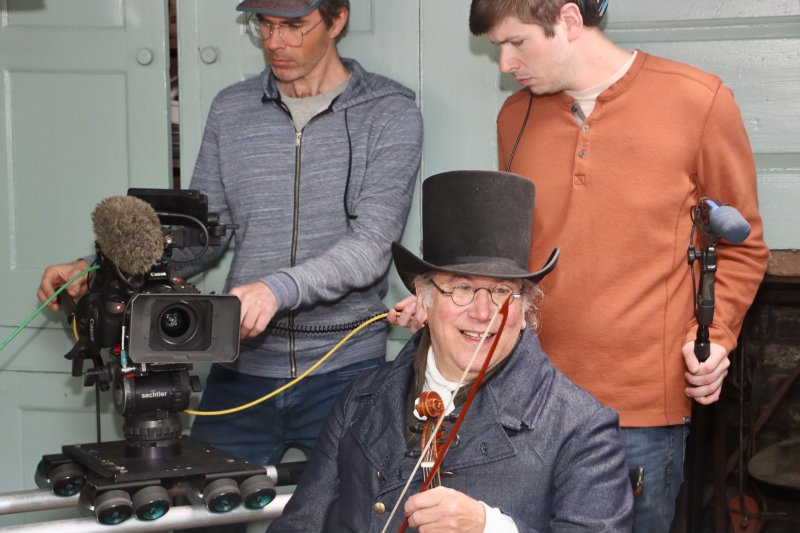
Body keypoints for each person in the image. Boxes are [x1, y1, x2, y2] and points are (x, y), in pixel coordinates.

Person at [393, 2, 768, 531]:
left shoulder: (699, 101)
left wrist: (716, 335)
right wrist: (442, 299)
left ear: (569, 21)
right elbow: (509, 260)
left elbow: (744, 246)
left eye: (516, 43)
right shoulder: (515, 116)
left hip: (637, 412)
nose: (504, 63)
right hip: (517, 402)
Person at [37, 0, 423, 471]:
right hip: (241, 369)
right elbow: (200, 237)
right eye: (265, 24)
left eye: (294, 26)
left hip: (345, 374)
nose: (274, 42)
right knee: (199, 514)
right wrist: (97, 267)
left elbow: (371, 248)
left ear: (337, 19)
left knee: (350, 518)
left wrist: (273, 289)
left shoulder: (390, 112)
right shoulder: (232, 108)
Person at [268, 170, 633, 532]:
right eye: (461, 288)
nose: (483, 313)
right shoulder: (360, 399)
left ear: (523, 310)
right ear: (423, 301)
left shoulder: (581, 427)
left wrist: (490, 527)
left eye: (503, 292)